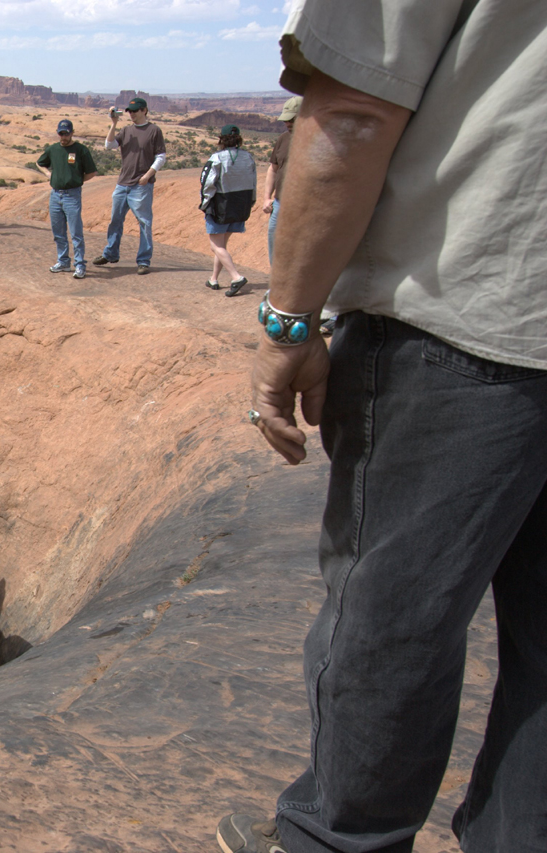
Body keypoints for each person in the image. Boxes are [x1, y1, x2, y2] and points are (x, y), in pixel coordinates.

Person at [221, 1, 547, 852]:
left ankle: (340, 842)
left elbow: (356, 115)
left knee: (394, 618)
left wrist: (289, 323)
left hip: (468, 310)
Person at [94, 97, 166, 273]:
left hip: (141, 185)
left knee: (144, 222)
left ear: (144, 111)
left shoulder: (154, 130)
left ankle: (143, 261)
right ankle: (111, 253)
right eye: (130, 111)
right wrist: (113, 123)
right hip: (122, 184)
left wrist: (148, 175)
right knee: (115, 220)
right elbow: (109, 145)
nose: (132, 114)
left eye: (135, 111)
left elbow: (161, 156)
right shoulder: (126, 130)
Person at [199, 124, 256, 296]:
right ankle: (214, 279)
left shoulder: (217, 158)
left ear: (221, 139)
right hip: (240, 205)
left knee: (215, 245)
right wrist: (250, 203)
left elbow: (207, 183)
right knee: (222, 245)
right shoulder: (249, 157)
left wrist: (205, 203)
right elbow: (253, 183)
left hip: (220, 206)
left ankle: (236, 277)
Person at [37, 119, 98, 279]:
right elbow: (40, 163)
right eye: (61, 133)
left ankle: (79, 265)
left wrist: (77, 180)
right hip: (55, 194)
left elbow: (92, 172)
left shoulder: (81, 150)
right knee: (58, 232)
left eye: (67, 133)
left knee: (76, 232)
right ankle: (63, 262)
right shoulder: (53, 149)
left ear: (72, 133)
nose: (64, 136)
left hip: (72, 195)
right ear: (58, 133)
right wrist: (49, 174)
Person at [262, 96, 302, 266]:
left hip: (303, 204)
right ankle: (276, 283)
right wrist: (266, 198)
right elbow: (273, 169)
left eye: (292, 119)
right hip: (279, 202)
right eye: (286, 119)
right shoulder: (282, 139)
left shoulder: (318, 139)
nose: (288, 123)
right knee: (274, 238)